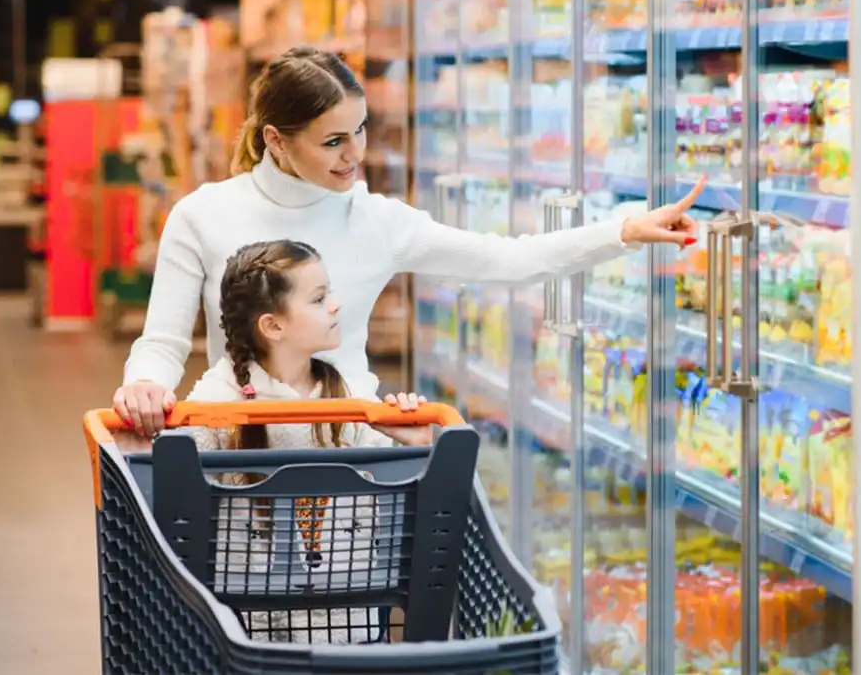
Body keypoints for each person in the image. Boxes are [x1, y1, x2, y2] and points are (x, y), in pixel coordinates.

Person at [113, 45, 704, 435]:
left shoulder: (378, 221)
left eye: (361, 130)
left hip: (352, 452)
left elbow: (509, 258)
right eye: (333, 141)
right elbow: (163, 342)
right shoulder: (202, 215)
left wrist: (621, 232)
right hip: (240, 454)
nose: (356, 154)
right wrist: (145, 386)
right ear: (276, 139)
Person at [184, 239, 425, 644]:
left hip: (350, 624)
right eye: (318, 298)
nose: (335, 305)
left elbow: (393, 503)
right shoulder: (216, 402)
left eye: (328, 292)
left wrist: (414, 445)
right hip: (249, 632)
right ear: (273, 326)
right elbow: (174, 496)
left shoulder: (349, 393)